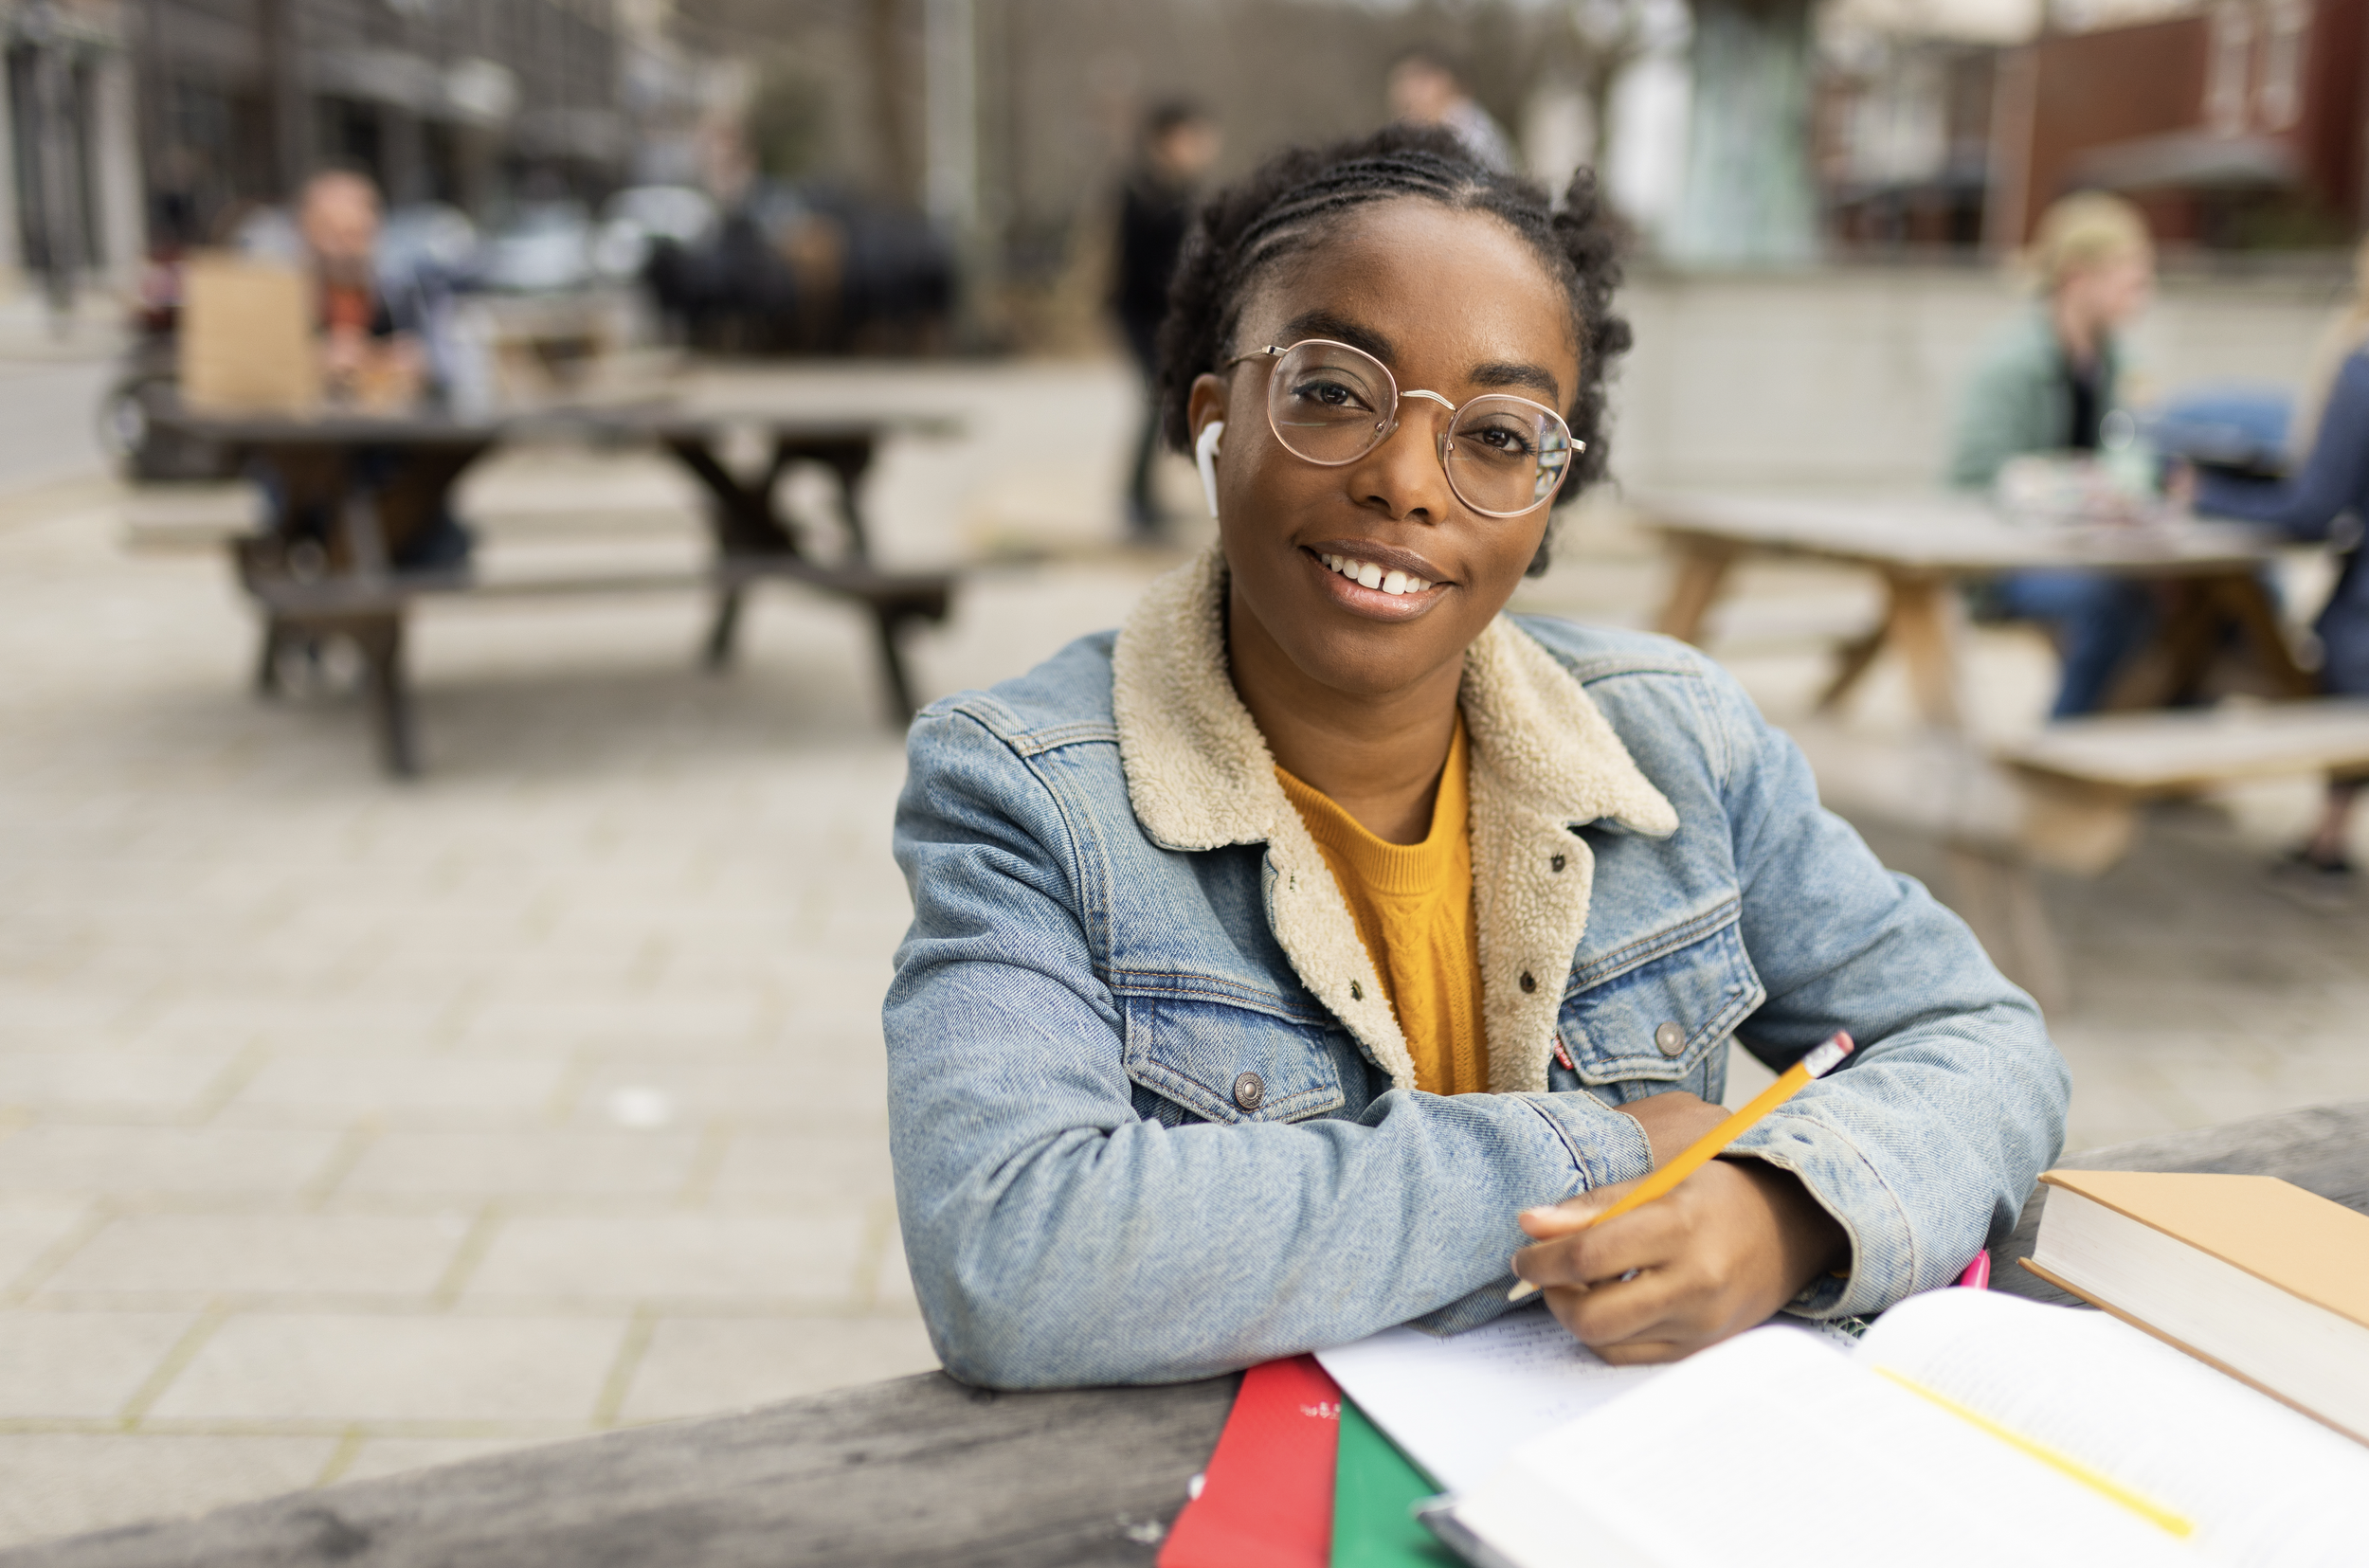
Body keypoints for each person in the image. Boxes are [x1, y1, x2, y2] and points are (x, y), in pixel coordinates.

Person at [884, 127, 2066, 1388]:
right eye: (1334, 391)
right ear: (1217, 419)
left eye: (1499, 433)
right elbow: (1012, 1254)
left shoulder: (1677, 740)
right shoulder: (1023, 790)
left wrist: (1790, 1211)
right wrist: (1592, 1151)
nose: (1406, 480)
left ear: (1552, 490)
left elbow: (1986, 1042)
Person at [2192, 236, 2369, 885]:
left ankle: (2328, 835)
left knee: (2313, 661)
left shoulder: (2361, 365)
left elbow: (2312, 512)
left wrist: (2203, 494)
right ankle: (2329, 835)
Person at [1948, 192, 2159, 717]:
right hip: (2000, 560)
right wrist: (2076, 485)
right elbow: (1972, 479)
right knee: (2112, 605)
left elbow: (2134, 453)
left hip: (2079, 550)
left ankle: (2142, 749)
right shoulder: (2011, 364)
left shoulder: (2118, 362)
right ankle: (2061, 747)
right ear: (2076, 278)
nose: (2142, 291)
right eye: (2128, 275)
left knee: (2189, 602)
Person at [260, 169, 473, 573]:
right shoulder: (278, 298)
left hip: (389, 465)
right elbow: (242, 379)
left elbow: (454, 363)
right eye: (331, 231)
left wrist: (417, 362)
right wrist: (309, 363)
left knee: (430, 479)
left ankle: (349, 575)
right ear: (303, 233)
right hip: (307, 482)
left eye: (358, 231)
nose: (346, 245)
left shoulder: (404, 294)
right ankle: (337, 574)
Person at [1112, 103, 1221, 537]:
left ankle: (1148, 500)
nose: (1199, 148)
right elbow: (1130, 270)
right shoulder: (1140, 196)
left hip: (1170, 319)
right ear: (1166, 141)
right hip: (1141, 319)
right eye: (1190, 139)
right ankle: (1134, 503)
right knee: (1154, 406)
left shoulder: (1184, 193)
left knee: (1166, 408)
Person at [1386, 48, 1516, 175]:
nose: (1405, 93)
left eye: (1418, 81)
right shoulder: (1473, 124)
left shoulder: (1467, 131)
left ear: (1445, 81)